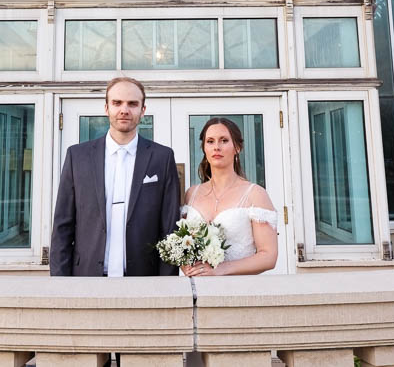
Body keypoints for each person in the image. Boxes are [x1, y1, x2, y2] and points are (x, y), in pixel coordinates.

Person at [50, 76, 181, 277]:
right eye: (117, 103)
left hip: (145, 279)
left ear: (143, 110)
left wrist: (167, 283)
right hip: (86, 277)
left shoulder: (162, 157)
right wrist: (59, 282)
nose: (124, 110)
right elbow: (62, 226)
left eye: (132, 104)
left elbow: (169, 227)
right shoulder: (77, 156)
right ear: (106, 108)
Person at [180, 117, 278, 276]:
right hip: (198, 289)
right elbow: (183, 245)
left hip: (237, 290)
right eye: (210, 141)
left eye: (224, 140)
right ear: (204, 147)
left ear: (237, 147)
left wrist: (221, 269)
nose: (216, 147)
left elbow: (268, 256)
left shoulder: (255, 194)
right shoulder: (192, 194)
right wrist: (186, 265)